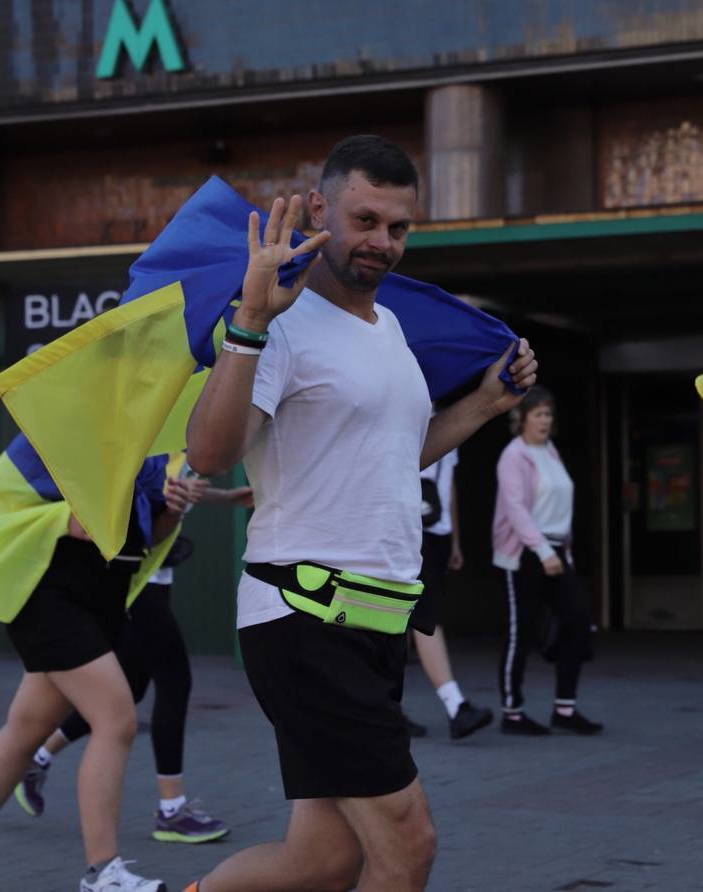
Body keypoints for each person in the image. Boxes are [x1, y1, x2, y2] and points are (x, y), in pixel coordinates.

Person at [182, 134, 537, 892]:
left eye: (398, 227)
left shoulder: (391, 330)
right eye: (364, 219)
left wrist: (484, 403)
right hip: (305, 617)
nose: (381, 242)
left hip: (375, 625)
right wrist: (249, 321)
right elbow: (211, 454)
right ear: (319, 210)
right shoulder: (278, 322)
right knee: (408, 848)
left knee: (324, 860)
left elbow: (393, 454)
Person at [0, 439, 182, 892]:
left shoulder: (150, 443)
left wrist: (172, 510)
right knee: (116, 719)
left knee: (26, 730)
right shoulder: (53, 424)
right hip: (49, 592)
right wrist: (64, 517)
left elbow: (148, 534)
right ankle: (103, 874)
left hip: (106, 595)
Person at [15, 470, 252, 845]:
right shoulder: (150, 434)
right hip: (136, 584)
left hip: (154, 582)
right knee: (175, 681)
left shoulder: (175, 445)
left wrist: (226, 497)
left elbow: (174, 490)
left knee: (134, 686)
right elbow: (152, 488)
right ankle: (171, 810)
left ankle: (38, 759)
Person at [492, 386, 601, 736]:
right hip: (525, 553)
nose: (544, 420)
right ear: (521, 418)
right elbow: (516, 509)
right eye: (537, 414)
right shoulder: (513, 455)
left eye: (548, 414)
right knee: (519, 633)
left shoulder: (550, 451)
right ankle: (512, 713)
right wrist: (542, 552)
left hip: (556, 551)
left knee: (579, 620)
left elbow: (559, 507)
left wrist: (560, 554)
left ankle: (564, 708)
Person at [407, 446, 494, 740]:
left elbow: (450, 487)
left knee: (408, 618)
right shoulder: (409, 417)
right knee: (425, 619)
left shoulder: (449, 428)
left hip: (437, 532)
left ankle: (387, 707)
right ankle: (455, 704)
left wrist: (454, 539)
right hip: (414, 532)